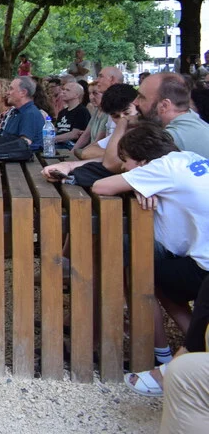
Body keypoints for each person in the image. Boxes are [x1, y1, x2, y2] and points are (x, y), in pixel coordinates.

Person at [92, 122, 209, 381]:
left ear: (143, 160)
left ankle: (164, 353)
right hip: (200, 261)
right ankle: (194, 343)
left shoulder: (161, 168)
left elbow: (101, 186)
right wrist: (139, 185)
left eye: (126, 161)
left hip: (203, 268)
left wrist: (136, 183)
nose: (124, 167)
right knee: (160, 275)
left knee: (140, 270)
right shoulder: (188, 157)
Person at [135, 73, 209, 158]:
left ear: (164, 105)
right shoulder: (195, 122)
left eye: (141, 97)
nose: (135, 102)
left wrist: (124, 123)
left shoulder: (170, 138)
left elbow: (123, 161)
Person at [2, 76, 45, 149]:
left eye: (11, 89)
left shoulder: (30, 114)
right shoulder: (15, 112)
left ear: (23, 92)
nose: (7, 92)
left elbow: (24, 144)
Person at [54, 80, 91, 149]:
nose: (63, 92)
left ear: (76, 95)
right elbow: (55, 130)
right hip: (58, 143)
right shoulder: (62, 112)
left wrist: (51, 139)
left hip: (71, 146)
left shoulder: (82, 111)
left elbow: (74, 135)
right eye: (63, 89)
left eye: (67, 90)